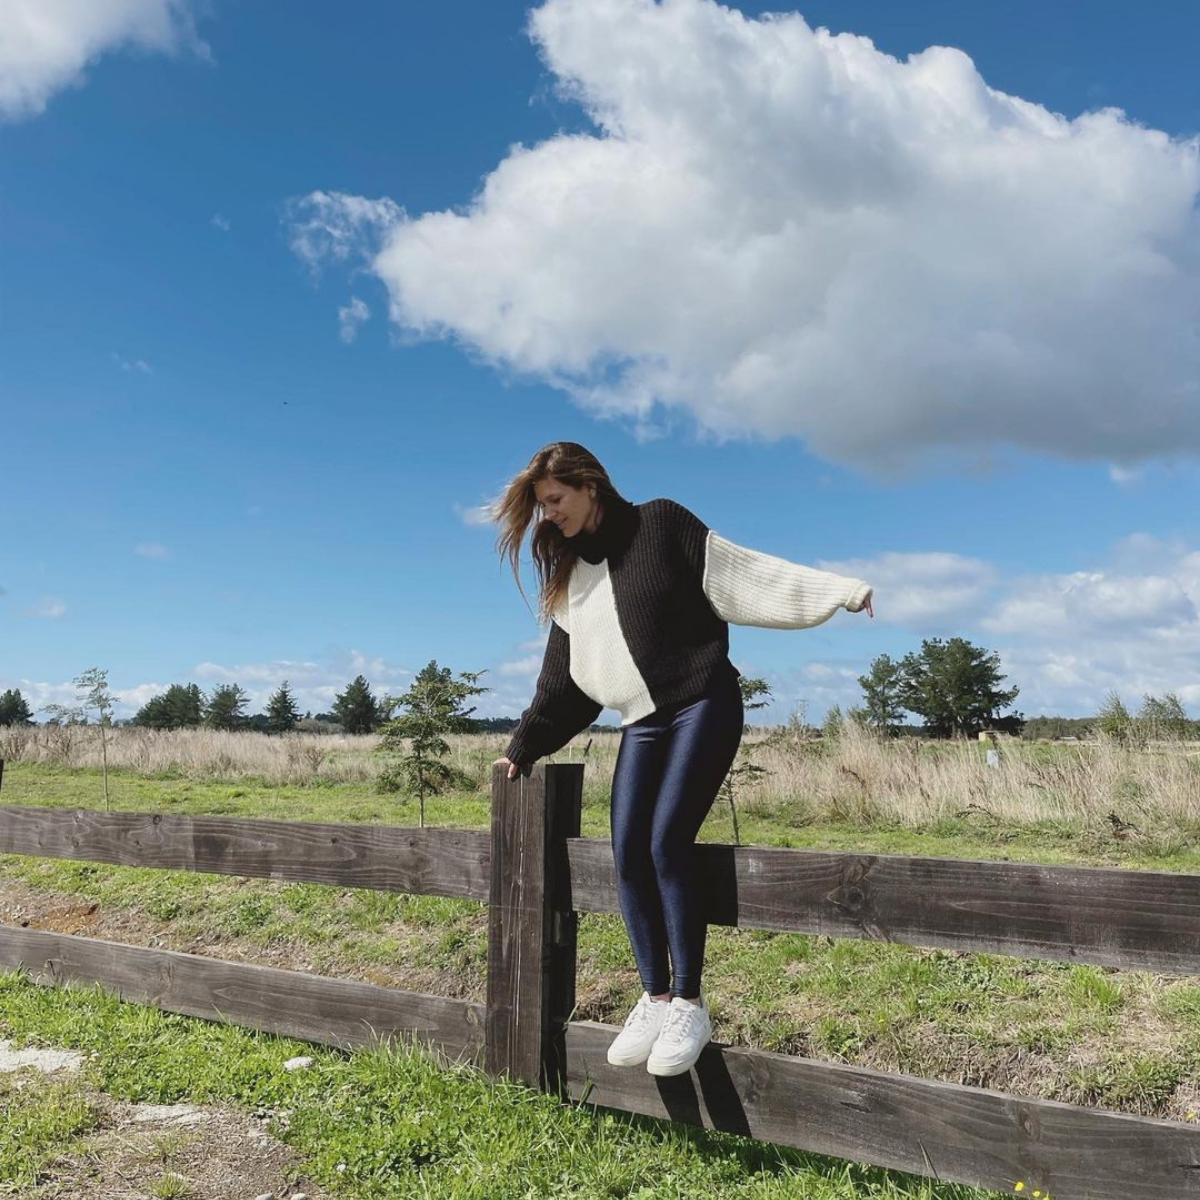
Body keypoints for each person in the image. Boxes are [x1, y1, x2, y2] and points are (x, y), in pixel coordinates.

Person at [493, 442, 874, 1077]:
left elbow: (744, 574)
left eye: (555, 501)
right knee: (627, 850)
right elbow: (560, 683)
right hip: (640, 721)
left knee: (666, 841)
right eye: (541, 507)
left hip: (702, 702)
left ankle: (691, 1003)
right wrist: (524, 745)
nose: (547, 516)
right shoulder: (569, 580)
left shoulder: (660, 524)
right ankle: (655, 996)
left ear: (590, 486)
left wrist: (839, 590)